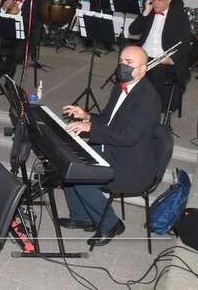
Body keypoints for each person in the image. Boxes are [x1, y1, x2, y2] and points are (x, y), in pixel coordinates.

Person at [61, 46, 161, 247]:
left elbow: (128, 137)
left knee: (81, 179)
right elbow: (108, 119)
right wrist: (87, 116)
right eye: (121, 60)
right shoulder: (121, 86)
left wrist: (89, 127)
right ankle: (83, 217)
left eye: (129, 63)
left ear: (143, 70)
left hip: (131, 163)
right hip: (113, 148)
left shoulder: (148, 99)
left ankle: (111, 224)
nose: (122, 66)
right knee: (70, 164)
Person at [128, 0, 192, 112]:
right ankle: (131, 105)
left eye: (160, 0)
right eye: (154, 0)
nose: (156, 4)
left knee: (155, 76)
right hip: (145, 56)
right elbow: (132, 30)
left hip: (163, 59)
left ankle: (150, 110)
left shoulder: (179, 16)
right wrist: (145, 12)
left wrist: (172, 59)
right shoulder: (149, 12)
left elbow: (185, 44)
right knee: (125, 69)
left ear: (169, 0)